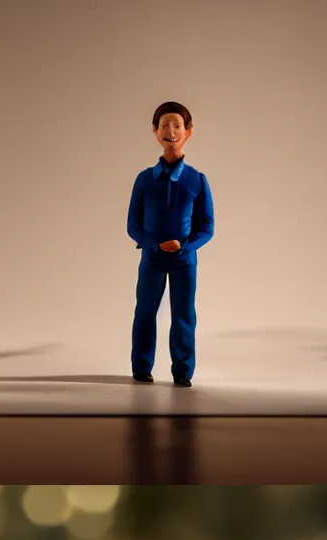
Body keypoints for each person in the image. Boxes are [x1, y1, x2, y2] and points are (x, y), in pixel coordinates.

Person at [127, 101, 214, 386]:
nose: (171, 131)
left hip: (184, 259)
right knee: (145, 311)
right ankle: (141, 367)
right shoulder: (144, 180)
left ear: (189, 131)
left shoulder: (197, 181)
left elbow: (207, 227)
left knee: (184, 314)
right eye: (164, 125)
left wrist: (185, 247)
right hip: (152, 257)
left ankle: (183, 371)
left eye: (177, 125)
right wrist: (153, 244)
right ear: (154, 131)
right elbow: (133, 225)